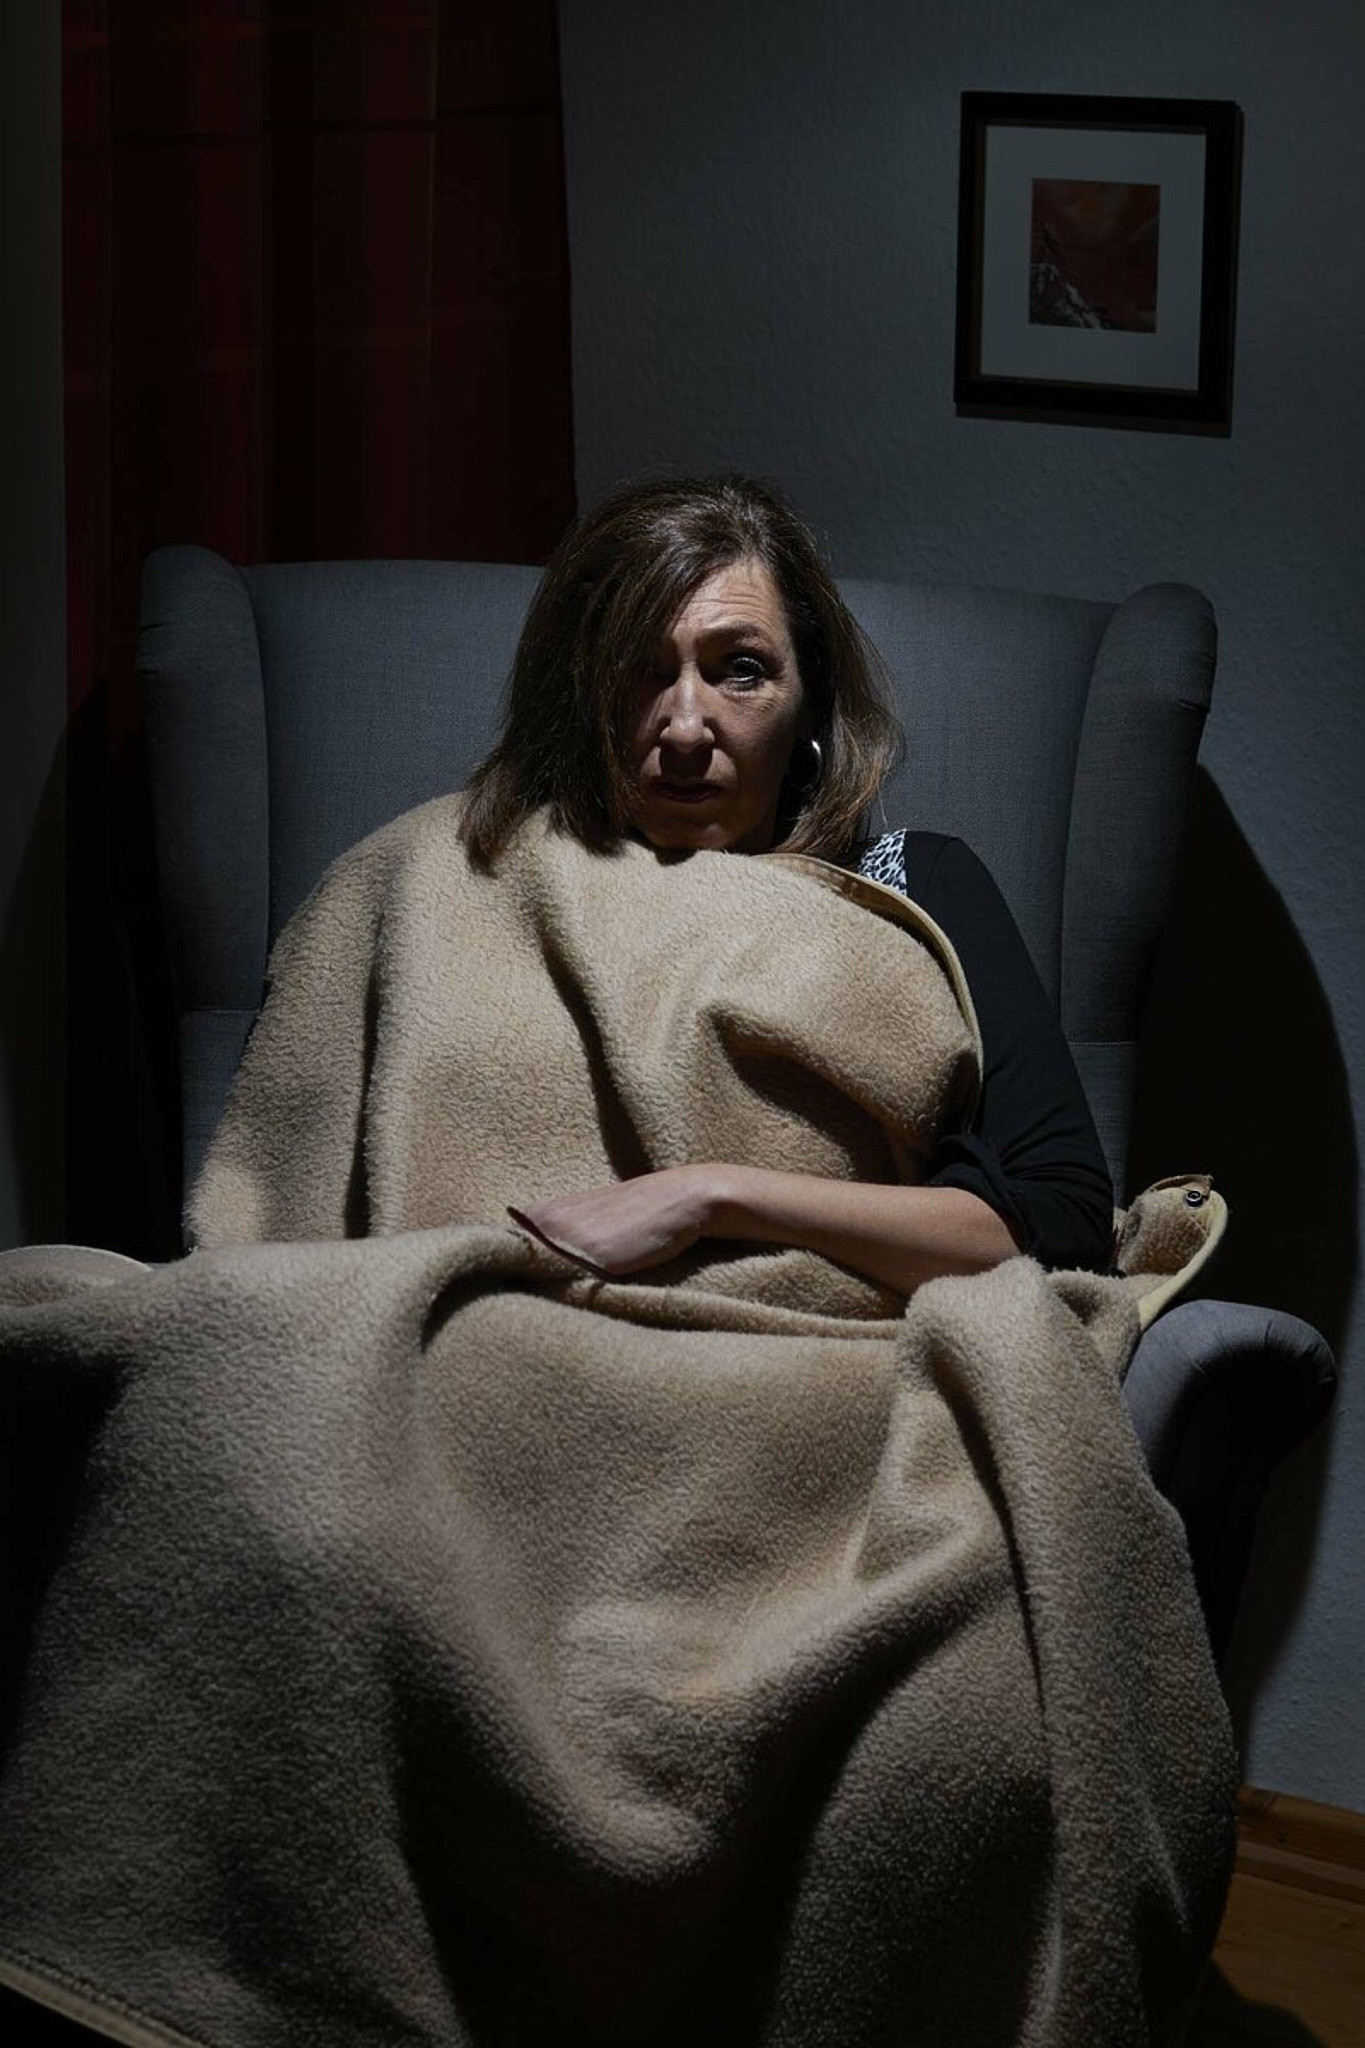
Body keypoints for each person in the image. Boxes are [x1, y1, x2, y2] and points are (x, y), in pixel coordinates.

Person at [457, 471, 1114, 1296]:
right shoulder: (479, 878)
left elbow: (1065, 1223)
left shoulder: (911, 888)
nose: (685, 728)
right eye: (638, 668)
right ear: (579, 696)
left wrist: (710, 1196)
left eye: (740, 670)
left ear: (809, 703)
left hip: (802, 1335)